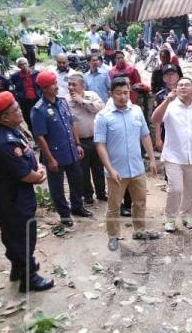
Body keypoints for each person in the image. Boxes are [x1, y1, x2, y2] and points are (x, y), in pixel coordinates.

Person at [0, 91, 54, 293]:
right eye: (15, 109)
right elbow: (25, 175)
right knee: (23, 235)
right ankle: (28, 278)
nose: (20, 111)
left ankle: (18, 267)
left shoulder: (11, 130)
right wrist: (39, 174)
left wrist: (36, 170)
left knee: (14, 234)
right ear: (5, 116)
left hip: (14, 192)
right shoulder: (4, 141)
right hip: (12, 196)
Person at [94, 77, 160, 251]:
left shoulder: (137, 111)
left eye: (125, 92)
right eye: (118, 93)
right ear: (111, 94)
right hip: (116, 172)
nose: (122, 97)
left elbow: (145, 136)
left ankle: (139, 230)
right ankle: (113, 235)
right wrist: (110, 169)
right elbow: (100, 145)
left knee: (140, 202)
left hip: (137, 168)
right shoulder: (103, 117)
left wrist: (152, 159)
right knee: (114, 206)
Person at [31, 71, 92, 231]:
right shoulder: (39, 109)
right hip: (55, 155)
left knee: (77, 180)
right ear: (44, 88)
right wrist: (50, 158)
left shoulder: (62, 102)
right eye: (52, 85)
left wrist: (78, 144)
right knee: (57, 188)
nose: (56, 87)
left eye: (56, 83)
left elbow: (71, 123)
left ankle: (77, 207)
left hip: (70, 150)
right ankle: (64, 214)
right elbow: (40, 136)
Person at [152, 77, 192, 232]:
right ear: (176, 89)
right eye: (180, 85)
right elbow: (155, 118)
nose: (183, 87)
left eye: (187, 85)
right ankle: (170, 218)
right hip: (173, 155)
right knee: (175, 188)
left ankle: (186, 214)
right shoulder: (170, 106)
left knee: (189, 189)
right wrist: (167, 101)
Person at [67, 73, 106, 205]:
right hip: (79, 141)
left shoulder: (92, 95)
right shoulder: (65, 101)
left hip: (96, 139)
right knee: (83, 170)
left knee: (98, 168)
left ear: (82, 86)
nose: (71, 87)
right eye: (69, 85)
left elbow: (101, 109)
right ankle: (87, 195)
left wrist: (82, 101)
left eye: (74, 84)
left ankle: (101, 192)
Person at [10, 57, 41, 132]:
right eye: (21, 64)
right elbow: (9, 87)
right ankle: (35, 136)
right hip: (25, 102)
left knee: (40, 118)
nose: (24, 66)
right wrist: (16, 96)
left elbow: (42, 85)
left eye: (25, 63)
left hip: (37, 100)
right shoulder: (15, 76)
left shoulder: (36, 73)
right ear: (18, 66)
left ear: (28, 64)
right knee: (28, 120)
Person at [154, 64, 181, 147]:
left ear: (177, 77)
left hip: (181, 128)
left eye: (172, 74)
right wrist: (158, 138)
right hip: (166, 130)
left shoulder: (183, 93)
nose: (170, 77)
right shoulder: (160, 95)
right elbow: (157, 119)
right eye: (167, 75)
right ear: (164, 78)